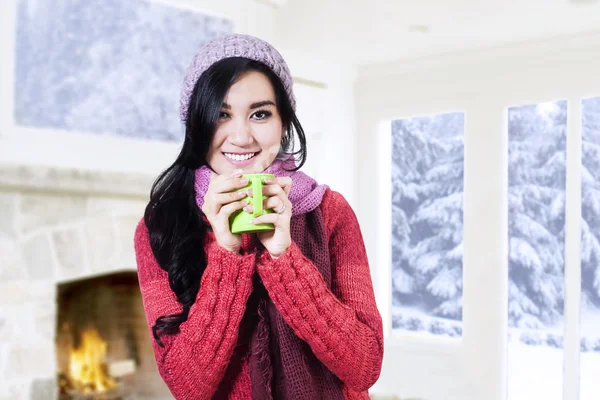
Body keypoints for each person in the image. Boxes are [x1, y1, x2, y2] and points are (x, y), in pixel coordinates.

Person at [134, 33, 383, 400]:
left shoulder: (330, 213)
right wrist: (227, 254)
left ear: (284, 123)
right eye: (221, 114)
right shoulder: (160, 226)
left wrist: (284, 258)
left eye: (260, 113)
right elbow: (187, 387)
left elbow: (365, 366)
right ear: (195, 124)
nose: (241, 136)